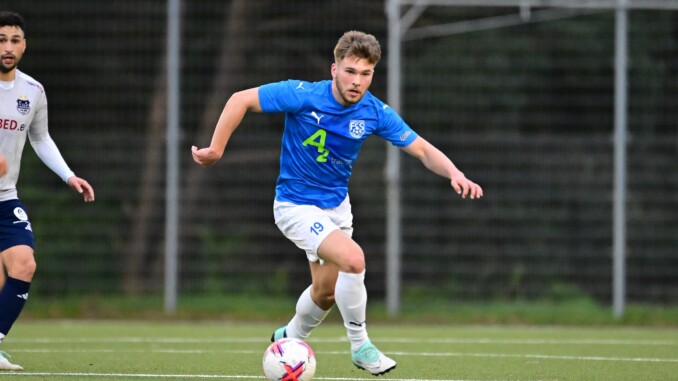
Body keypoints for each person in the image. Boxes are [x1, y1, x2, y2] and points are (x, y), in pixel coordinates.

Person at [192, 30, 483, 375]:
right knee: (353, 258)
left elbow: (420, 148)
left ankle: (288, 338)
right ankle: (361, 346)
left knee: (325, 293)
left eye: (366, 74)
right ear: (334, 69)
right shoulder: (302, 94)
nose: (357, 81)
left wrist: (454, 172)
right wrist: (216, 148)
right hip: (295, 205)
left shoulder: (374, 112)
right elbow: (241, 99)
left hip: (336, 207)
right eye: (350, 71)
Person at [0, 11, 95, 371]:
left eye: (14, 40)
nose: (7, 47)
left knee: (23, 265)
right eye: (0, 39)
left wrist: (69, 176)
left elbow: (40, 138)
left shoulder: (33, 91)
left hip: (5, 198)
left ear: (24, 46)